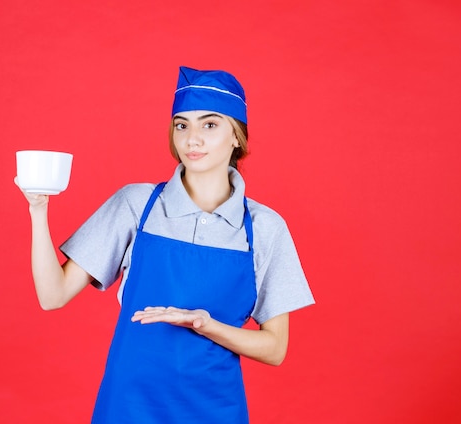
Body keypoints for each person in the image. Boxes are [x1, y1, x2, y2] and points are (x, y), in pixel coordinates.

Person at [16, 66, 315, 424]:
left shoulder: (265, 229)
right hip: (128, 407)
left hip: (214, 411)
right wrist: (38, 210)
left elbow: (275, 348)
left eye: (210, 124)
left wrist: (206, 325)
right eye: (181, 125)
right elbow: (53, 296)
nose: (192, 139)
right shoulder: (137, 205)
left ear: (237, 136)